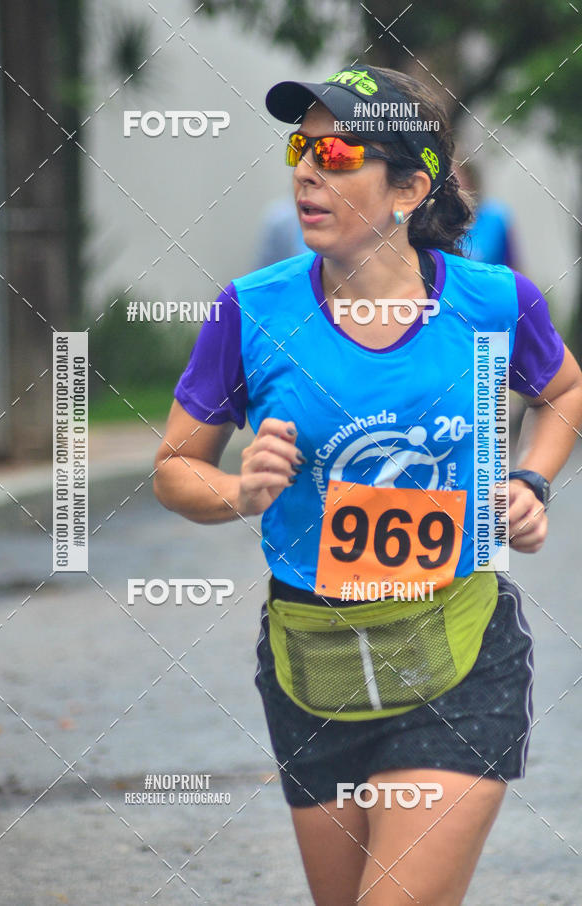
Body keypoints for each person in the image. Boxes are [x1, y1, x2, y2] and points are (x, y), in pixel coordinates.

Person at [153, 64, 582, 906]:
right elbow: (174, 466)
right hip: (314, 661)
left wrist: (531, 479)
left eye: (339, 151)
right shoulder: (250, 312)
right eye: (302, 146)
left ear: (408, 188)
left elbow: (563, 390)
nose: (307, 168)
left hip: (459, 651)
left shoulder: (494, 303)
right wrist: (240, 493)